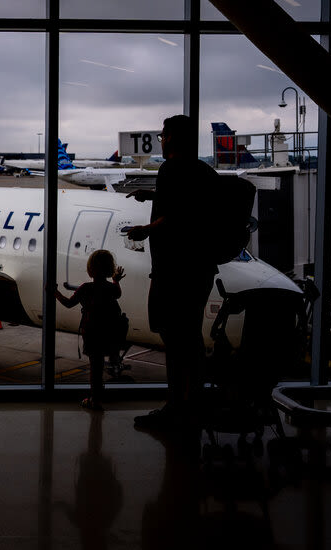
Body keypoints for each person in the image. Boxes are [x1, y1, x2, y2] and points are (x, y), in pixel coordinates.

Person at [124, 114, 219, 431]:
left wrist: (144, 229)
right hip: (200, 269)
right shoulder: (204, 170)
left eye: (164, 135)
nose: (161, 140)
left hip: (174, 270)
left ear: (175, 138)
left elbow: (178, 215)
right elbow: (193, 208)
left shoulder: (172, 169)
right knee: (190, 339)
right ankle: (192, 403)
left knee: (174, 339)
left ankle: (176, 408)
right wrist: (151, 197)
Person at [54, 249, 126, 411]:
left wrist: (55, 292)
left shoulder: (86, 288)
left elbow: (68, 303)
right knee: (99, 366)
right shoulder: (111, 288)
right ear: (110, 269)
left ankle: (95, 400)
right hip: (107, 332)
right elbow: (118, 293)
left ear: (90, 269)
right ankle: (98, 397)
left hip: (92, 332)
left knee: (95, 368)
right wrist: (116, 280)